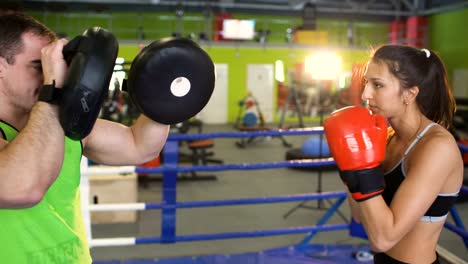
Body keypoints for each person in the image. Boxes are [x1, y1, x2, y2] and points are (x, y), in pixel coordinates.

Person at [0, 13, 169, 263]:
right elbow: (21, 188)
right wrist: (53, 89)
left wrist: (161, 97)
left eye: (55, 65)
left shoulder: (60, 122)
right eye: (40, 66)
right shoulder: (51, 112)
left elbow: (140, 146)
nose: (51, 74)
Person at [324, 45, 463, 264]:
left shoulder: (437, 147)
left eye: (377, 85)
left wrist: (363, 171)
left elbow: (383, 239)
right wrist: (351, 167)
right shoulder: (386, 138)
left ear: (410, 93)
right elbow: (360, 217)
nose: (365, 94)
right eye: (366, 83)